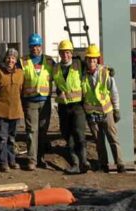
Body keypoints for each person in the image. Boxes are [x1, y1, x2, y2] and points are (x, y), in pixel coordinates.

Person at [82, 44, 126, 173]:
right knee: (99, 142)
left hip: (107, 112)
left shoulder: (105, 73)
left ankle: (120, 164)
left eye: (94, 60)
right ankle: (103, 164)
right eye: (89, 59)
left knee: (113, 139)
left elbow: (114, 92)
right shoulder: (83, 75)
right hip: (92, 114)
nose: (91, 62)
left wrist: (116, 109)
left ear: (97, 60)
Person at [20, 33, 55, 170]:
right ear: (29, 47)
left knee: (42, 131)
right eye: (33, 46)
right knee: (31, 131)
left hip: (45, 101)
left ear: (41, 46)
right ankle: (31, 160)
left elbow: (61, 73)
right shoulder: (23, 62)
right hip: (30, 102)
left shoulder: (49, 62)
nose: (36, 48)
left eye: (38, 45)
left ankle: (40, 158)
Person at [53, 39, 88, 174]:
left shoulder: (79, 64)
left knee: (79, 134)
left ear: (71, 53)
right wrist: (58, 92)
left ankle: (83, 161)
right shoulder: (56, 68)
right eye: (62, 52)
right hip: (63, 107)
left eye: (67, 52)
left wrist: (107, 70)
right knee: (67, 135)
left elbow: (93, 67)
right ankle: (75, 163)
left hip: (78, 106)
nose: (65, 55)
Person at [0, 47, 24, 172]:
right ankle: (3, 162)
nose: (11, 60)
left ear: (16, 60)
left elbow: (21, 91)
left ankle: (12, 160)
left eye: (13, 58)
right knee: (2, 138)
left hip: (15, 112)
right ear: (5, 58)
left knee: (12, 138)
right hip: (1, 111)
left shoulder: (20, 73)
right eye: (9, 57)